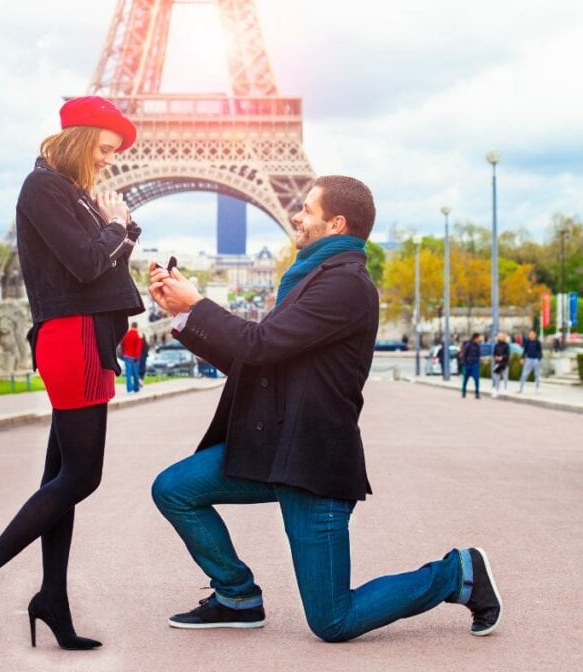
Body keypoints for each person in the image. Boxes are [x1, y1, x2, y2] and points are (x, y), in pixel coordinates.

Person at [148, 176, 502, 641]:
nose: (296, 216)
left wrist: (197, 303)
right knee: (173, 489)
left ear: (336, 223)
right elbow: (254, 360)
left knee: (333, 621)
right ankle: (236, 595)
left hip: (313, 461)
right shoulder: (311, 278)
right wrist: (184, 315)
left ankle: (457, 573)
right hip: (274, 449)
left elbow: (260, 343)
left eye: (307, 210)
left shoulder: (346, 285)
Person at [0, 96, 144, 649]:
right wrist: (118, 224)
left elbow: (97, 264)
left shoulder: (70, 192)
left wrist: (122, 228)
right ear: (77, 140)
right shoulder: (43, 187)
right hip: (70, 336)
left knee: (61, 480)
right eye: (102, 150)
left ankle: (52, 598)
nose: (106, 163)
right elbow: (85, 262)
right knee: (81, 477)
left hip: (86, 336)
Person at [121, 321, 143, 392]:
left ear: (131, 326)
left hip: (126, 355)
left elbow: (122, 344)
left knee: (128, 373)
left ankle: (129, 388)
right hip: (134, 357)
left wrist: (124, 352)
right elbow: (138, 348)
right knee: (135, 372)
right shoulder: (138, 335)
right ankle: (136, 388)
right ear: (137, 326)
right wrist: (137, 356)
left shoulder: (126, 334)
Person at [460, 333, 482, 399]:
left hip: (475, 364)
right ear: (475, 338)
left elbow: (478, 355)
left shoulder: (478, 346)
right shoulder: (468, 345)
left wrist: (478, 363)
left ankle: (477, 393)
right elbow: (464, 355)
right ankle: (463, 392)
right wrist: (464, 364)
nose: (479, 339)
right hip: (468, 364)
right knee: (465, 380)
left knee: (476, 379)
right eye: (478, 338)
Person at [491, 333, 511, 397]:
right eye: (499, 336)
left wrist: (502, 357)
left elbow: (507, 354)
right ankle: (497, 390)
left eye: (501, 336)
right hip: (497, 364)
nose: (500, 337)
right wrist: (495, 357)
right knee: (496, 377)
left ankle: (505, 389)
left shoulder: (506, 345)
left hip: (504, 363)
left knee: (505, 377)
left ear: (504, 337)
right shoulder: (496, 345)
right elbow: (494, 353)